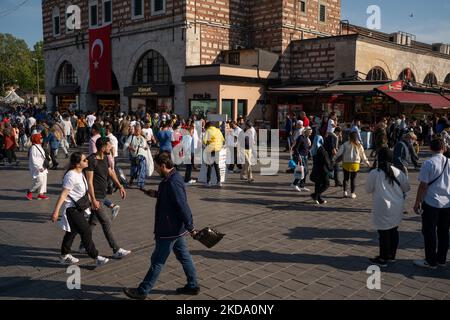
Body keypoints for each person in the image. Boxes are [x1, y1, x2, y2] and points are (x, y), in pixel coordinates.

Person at [123, 152, 200, 300]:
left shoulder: (172, 181)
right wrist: (156, 194)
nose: (156, 170)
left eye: (157, 167)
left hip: (169, 229)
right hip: (176, 230)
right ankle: (192, 285)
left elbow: (182, 205)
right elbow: (171, 197)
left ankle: (142, 291)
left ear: (164, 166)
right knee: (185, 257)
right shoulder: (172, 178)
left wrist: (191, 227)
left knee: (157, 261)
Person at [51, 152, 110, 266]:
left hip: (80, 208)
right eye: (84, 160)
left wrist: (93, 201)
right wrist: (56, 211)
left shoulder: (81, 173)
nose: (87, 161)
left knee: (72, 232)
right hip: (71, 209)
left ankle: (64, 255)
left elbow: (84, 191)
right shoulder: (71, 176)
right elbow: (63, 195)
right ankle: (96, 256)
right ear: (77, 164)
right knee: (86, 230)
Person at [83, 137, 131, 259]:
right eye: (109, 146)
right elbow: (89, 182)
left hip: (101, 195)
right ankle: (116, 249)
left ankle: (83, 244)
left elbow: (111, 172)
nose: (111, 147)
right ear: (103, 147)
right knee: (106, 221)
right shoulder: (92, 160)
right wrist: (93, 200)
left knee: (93, 222)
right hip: (95, 197)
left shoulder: (104, 158)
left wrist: (120, 186)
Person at [365, 147, 410, 267]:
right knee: (394, 230)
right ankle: (391, 256)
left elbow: (368, 189)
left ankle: (383, 258)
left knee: (383, 233)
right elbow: (406, 188)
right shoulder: (398, 172)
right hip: (397, 205)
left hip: (381, 207)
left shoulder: (374, 173)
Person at [413, 138, 450, 269]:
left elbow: (423, 186)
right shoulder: (449, 162)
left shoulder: (428, 163)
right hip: (447, 203)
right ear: (444, 148)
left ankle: (430, 260)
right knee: (444, 232)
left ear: (430, 148)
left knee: (429, 232)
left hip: (431, 202)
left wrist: (417, 202)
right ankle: (441, 259)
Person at [335, 131, 370, 199]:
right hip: (355, 163)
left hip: (346, 163)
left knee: (346, 178)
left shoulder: (345, 144)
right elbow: (362, 154)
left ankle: (345, 192)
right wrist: (366, 162)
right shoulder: (359, 145)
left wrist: (334, 159)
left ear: (349, 137)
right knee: (353, 179)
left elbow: (339, 153)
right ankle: (352, 193)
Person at [310, 135, 332, 205]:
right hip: (323, 169)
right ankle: (315, 195)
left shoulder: (313, 149)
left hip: (316, 169)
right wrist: (330, 168)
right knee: (326, 184)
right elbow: (326, 160)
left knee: (318, 184)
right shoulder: (321, 149)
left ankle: (319, 199)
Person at [26, 133, 49, 200]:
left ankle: (40, 194)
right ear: (37, 139)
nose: (42, 139)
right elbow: (34, 159)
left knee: (44, 180)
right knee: (40, 181)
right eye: (40, 138)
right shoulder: (33, 148)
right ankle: (30, 191)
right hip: (38, 167)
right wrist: (38, 167)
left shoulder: (39, 145)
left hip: (43, 166)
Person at [125, 124, 149, 189]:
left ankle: (141, 184)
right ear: (134, 130)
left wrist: (146, 147)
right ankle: (131, 181)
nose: (138, 131)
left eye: (139, 130)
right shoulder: (131, 137)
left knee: (142, 169)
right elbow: (126, 144)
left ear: (140, 130)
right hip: (133, 156)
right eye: (136, 130)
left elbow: (146, 145)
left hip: (141, 155)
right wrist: (131, 148)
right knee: (134, 169)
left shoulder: (143, 137)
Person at [203, 122, 225, 187]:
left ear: (207, 126)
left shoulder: (208, 131)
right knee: (216, 166)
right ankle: (219, 182)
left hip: (211, 150)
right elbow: (223, 141)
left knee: (209, 166)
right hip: (217, 150)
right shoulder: (218, 130)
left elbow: (204, 141)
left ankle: (208, 182)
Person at [291, 127, 312, 192]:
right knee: (302, 171)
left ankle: (302, 185)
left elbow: (307, 147)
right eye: (310, 132)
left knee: (306, 171)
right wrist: (299, 156)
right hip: (301, 156)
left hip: (305, 157)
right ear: (307, 132)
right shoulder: (300, 137)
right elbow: (296, 148)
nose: (310, 134)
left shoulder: (306, 138)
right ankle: (294, 184)